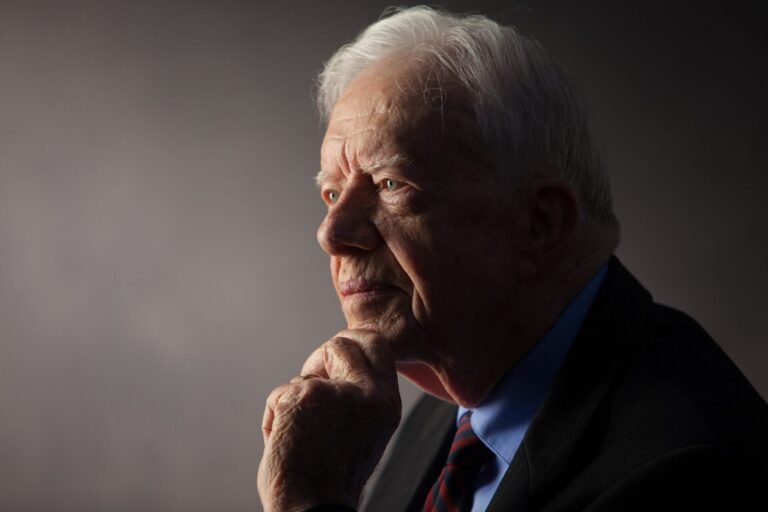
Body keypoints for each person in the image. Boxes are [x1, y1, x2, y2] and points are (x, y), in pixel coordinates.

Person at [258, 6, 767, 512]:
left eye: (391, 184)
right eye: (332, 194)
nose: (331, 234)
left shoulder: (689, 468)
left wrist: (309, 500)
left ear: (539, 222)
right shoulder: (451, 402)